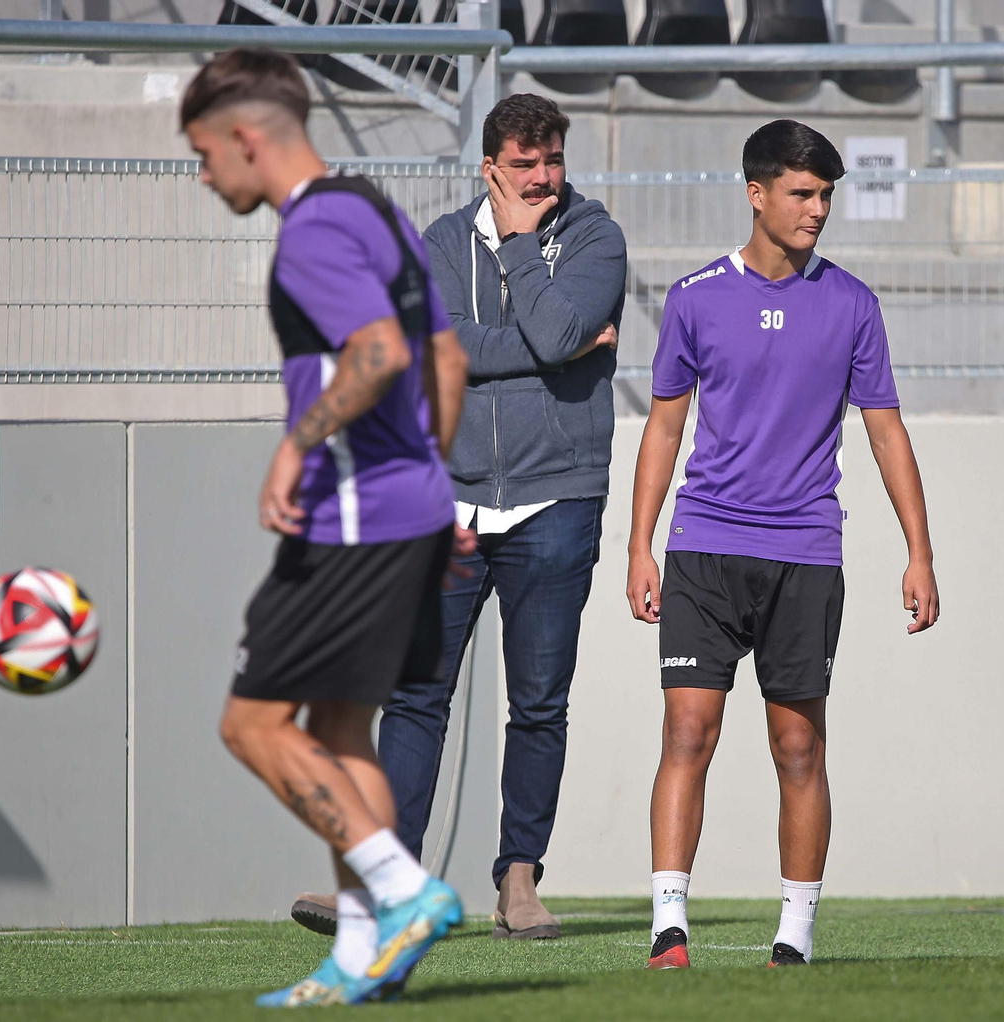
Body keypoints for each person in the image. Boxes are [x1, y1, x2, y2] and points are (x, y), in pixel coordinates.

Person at [290, 93, 627, 942]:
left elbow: (542, 334)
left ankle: (519, 884)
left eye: (552, 161)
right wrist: (555, 344)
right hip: (451, 503)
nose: (544, 178)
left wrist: (521, 253)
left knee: (539, 703)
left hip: (558, 498)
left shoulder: (593, 237)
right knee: (413, 698)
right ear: (490, 167)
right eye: (525, 165)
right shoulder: (438, 243)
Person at [182, 48, 471, 1006]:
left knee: (252, 724)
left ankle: (402, 891)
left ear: (243, 137)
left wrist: (296, 447)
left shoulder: (309, 231)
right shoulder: (376, 209)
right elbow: (445, 358)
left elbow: (382, 352)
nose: (204, 174)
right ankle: (363, 959)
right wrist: (434, 490)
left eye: (201, 154)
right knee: (344, 733)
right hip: (409, 509)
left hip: (351, 521)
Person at [626, 120, 939, 970]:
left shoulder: (852, 304)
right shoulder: (694, 299)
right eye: (803, 193)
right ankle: (668, 928)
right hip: (704, 548)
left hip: (806, 553)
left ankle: (793, 938)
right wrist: (639, 546)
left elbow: (886, 434)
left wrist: (920, 551)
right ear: (756, 193)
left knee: (798, 745)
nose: (818, 210)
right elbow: (662, 430)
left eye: (827, 195)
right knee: (688, 732)